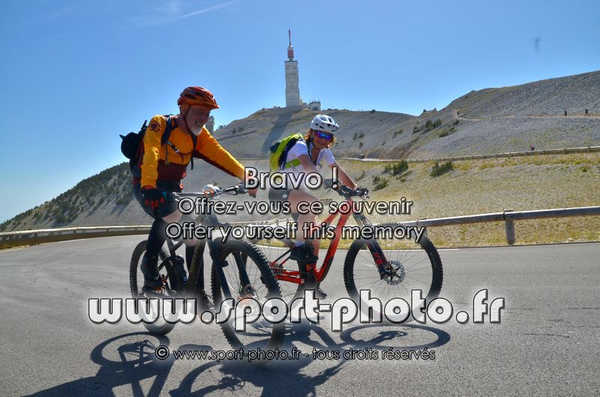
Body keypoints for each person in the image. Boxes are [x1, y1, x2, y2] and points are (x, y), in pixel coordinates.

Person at [132, 86, 256, 294]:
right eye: (199, 112)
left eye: (207, 114)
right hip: (146, 184)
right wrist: (149, 185)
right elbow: (151, 153)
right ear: (183, 108)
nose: (203, 118)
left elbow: (221, 155)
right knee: (170, 213)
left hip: (174, 189)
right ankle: (149, 264)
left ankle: (195, 291)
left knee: (194, 235)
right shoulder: (161, 124)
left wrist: (247, 176)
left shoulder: (200, 136)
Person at [269, 114, 356, 297]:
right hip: (280, 192)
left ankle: (311, 280)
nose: (323, 139)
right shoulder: (299, 145)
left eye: (328, 136)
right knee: (312, 203)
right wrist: (324, 181)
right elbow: (309, 167)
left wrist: (355, 189)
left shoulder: (325, 151)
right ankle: (300, 248)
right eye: (320, 134)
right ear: (312, 132)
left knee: (315, 233)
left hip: (297, 194)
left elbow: (337, 170)